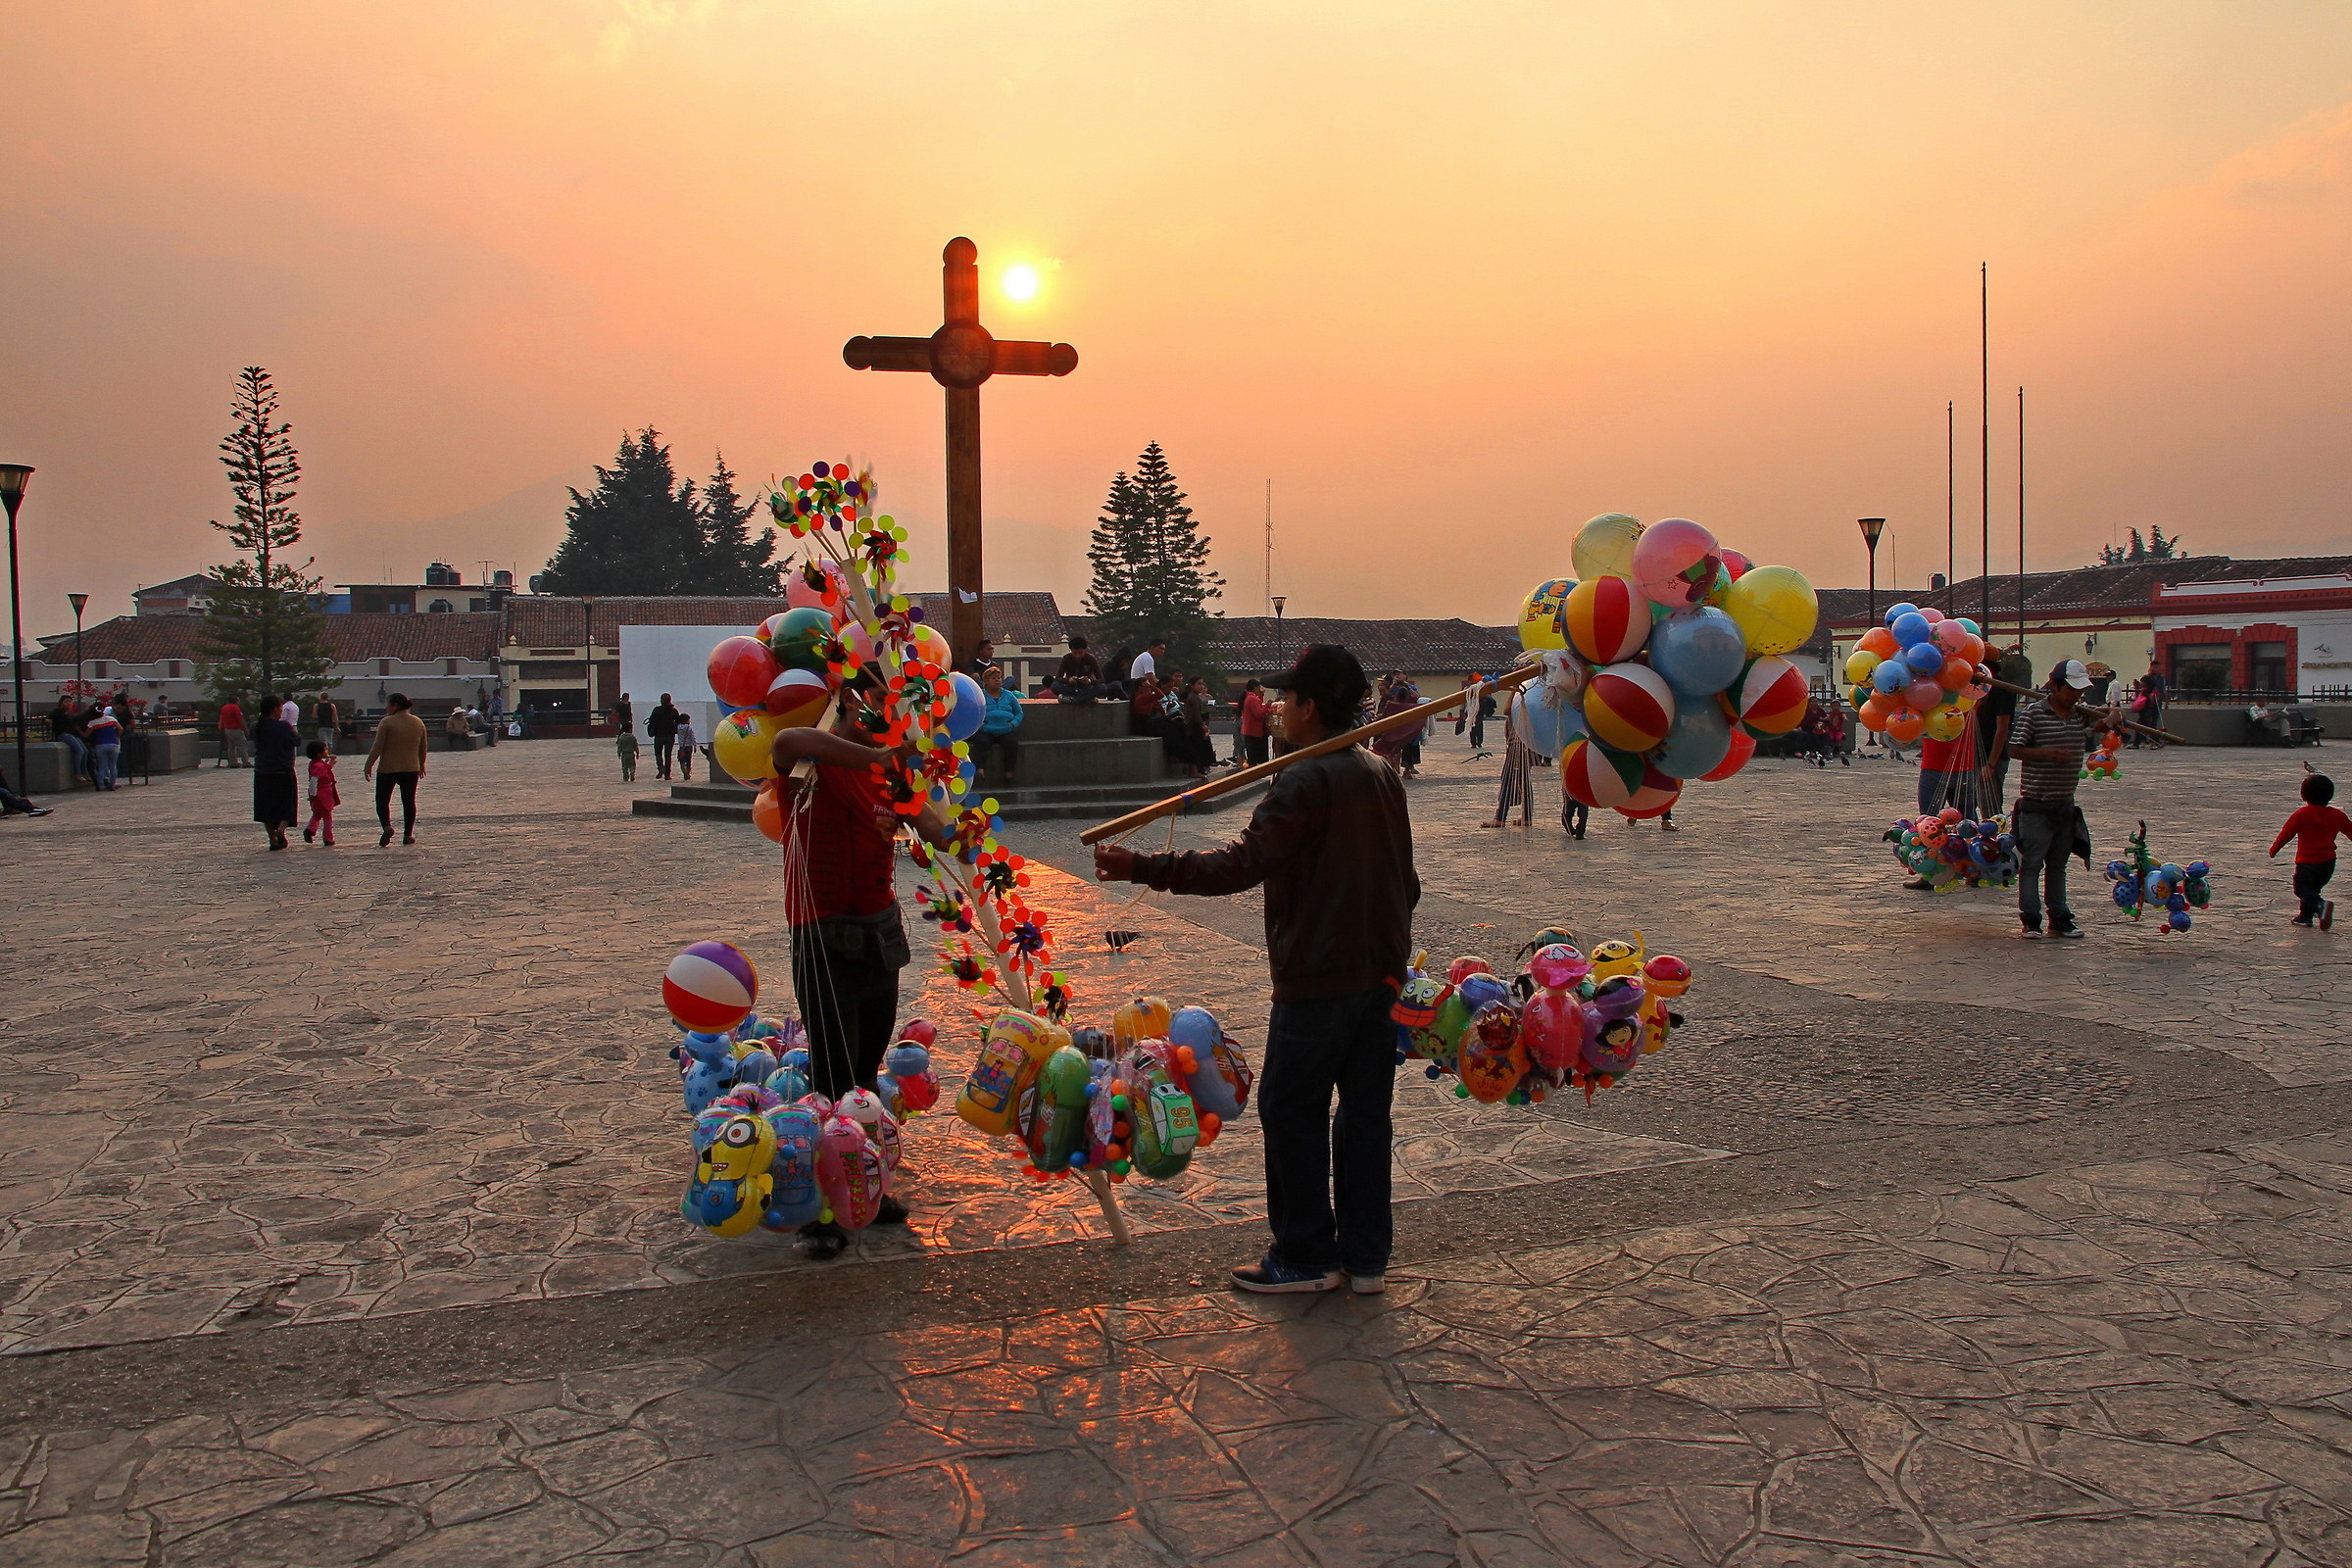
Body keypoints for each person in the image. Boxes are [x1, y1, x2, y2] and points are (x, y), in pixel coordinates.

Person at [1092, 644, 1415, 1297]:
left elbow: (1240, 866)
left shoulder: (1302, 779)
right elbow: (1407, 883)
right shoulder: (1379, 774)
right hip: (1381, 975)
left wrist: (1146, 867)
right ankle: (1365, 1257)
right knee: (1364, 1114)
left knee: (1290, 1108)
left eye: (1287, 698)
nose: (1276, 707)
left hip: (1320, 980)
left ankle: (1303, 1256)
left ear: (1311, 708)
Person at [768, 689, 931, 1257]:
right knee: (831, 1074)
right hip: (822, 934)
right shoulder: (809, 770)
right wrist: (872, 757)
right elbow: (786, 741)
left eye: (877, 713)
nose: (868, 720)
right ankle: (822, 1211)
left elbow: (935, 827)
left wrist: (970, 836)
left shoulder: (889, 779)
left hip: (879, 935)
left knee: (864, 1073)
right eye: (857, 710)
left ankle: (866, 1186)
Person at [1990, 659, 2104, 939]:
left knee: (2058, 865)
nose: (2077, 695)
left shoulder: (2079, 715)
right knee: (2031, 864)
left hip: (2064, 803)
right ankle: (2031, 919)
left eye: (2080, 691)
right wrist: (2046, 754)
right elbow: (2015, 749)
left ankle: (2060, 917)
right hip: (2036, 804)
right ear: (2055, 685)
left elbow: (2087, 734)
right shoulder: (2034, 714)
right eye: (2071, 689)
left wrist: (2106, 722)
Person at [2272, 773, 2351, 930]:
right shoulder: (2337, 815)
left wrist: (2274, 849)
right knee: (2312, 889)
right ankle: (2305, 917)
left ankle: (2321, 905)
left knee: (2301, 888)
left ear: (2303, 795)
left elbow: (2286, 833)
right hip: (2328, 863)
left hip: (2307, 862)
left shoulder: (2302, 814)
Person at [365, 692, 428, 846]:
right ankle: (408, 834)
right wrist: (422, 764)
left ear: (396, 706)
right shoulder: (418, 722)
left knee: (382, 800)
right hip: (411, 767)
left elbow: (378, 746)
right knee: (408, 801)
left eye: (389, 704)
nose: (387, 708)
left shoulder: (387, 722)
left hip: (388, 768)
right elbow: (423, 747)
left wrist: (369, 764)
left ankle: (387, 826)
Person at [251, 694, 301, 850]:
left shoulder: (256, 726)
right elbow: (296, 741)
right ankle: (281, 830)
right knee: (287, 804)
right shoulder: (284, 726)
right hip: (283, 770)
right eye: (280, 707)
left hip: (263, 771)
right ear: (274, 709)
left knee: (266, 806)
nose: (282, 710)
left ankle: (272, 838)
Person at [1977, 646, 2027, 805]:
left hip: (1992, 757)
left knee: (1990, 808)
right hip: (1977, 755)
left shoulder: (2001, 689)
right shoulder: (1977, 687)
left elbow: (2002, 729)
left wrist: (1991, 764)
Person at [1483, 702, 1532, 827]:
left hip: (1518, 744)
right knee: (1524, 781)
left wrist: (1514, 688)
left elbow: (1507, 709)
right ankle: (1526, 816)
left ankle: (1500, 818)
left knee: (1508, 780)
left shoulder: (1522, 693)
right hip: (1524, 743)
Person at [972, 666, 1022, 787]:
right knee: (981, 742)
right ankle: (980, 771)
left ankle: (1009, 773)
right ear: (986, 681)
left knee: (1011, 742)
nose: (997, 680)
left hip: (1005, 729)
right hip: (986, 729)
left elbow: (1019, 712)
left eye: (999, 678)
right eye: (993, 678)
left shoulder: (1009, 695)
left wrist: (1013, 724)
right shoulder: (980, 695)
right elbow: (974, 712)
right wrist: (981, 725)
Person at [303, 740, 341, 846]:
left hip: (317, 793)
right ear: (319, 754)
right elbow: (314, 780)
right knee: (327, 817)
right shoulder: (319, 766)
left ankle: (310, 829)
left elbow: (325, 769)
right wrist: (313, 794)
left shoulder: (315, 764)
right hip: (323, 793)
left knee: (317, 813)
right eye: (325, 750)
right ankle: (328, 838)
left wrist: (331, 761)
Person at [1051, 638, 1111, 703]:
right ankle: (1086, 699)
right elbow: (1058, 678)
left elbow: (1101, 680)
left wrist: (1089, 681)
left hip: (1086, 688)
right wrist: (1068, 680)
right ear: (1071, 650)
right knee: (1055, 686)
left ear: (1085, 650)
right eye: (1075, 653)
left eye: (1080, 653)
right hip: (1071, 688)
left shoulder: (1091, 659)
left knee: (1102, 687)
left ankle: (1073, 700)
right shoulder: (1066, 658)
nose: (1078, 656)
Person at [50, 697, 89, 783]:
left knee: (85, 751)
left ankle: (84, 772)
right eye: (66, 702)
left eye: (70, 702)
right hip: (64, 734)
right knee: (79, 751)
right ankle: (77, 773)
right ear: (61, 703)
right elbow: (49, 718)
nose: (68, 704)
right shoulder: (58, 711)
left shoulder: (68, 714)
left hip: (72, 734)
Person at [85, 705, 123, 791]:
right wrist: (117, 737)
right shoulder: (111, 719)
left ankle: (101, 785)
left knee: (102, 766)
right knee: (113, 766)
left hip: (100, 745)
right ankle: (112, 784)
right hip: (114, 744)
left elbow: (86, 735)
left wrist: (79, 730)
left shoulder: (92, 723)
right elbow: (120, 729)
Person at [2132, 662, 2167, 749]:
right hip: (2146, 709)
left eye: (2157, 667)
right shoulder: (2147, 680)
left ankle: (2154, 742)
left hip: (2152, 706)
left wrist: (2165, 701)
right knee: (2144, 725)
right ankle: (2141, 742)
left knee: (2150, 725)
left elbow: (2163, 690)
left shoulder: (2161, 679)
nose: (2155, 669)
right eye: (2153, 667)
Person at [647, 695, 681, 780]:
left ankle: (661, 768)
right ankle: (667, 774)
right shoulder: (674, 711)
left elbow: (651, 721)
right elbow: (679, 723)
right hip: (670, 736)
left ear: (662, 700)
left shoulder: (657, 710)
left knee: (658, 753)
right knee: (668, 755)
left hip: (659, 735)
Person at [1237, 678, 1270, 766]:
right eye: (1259, 687)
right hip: (1255, 731)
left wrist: (1261, 697)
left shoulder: (1248, 698)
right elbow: (1259, 714)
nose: (1260, 689)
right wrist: (1268, 705)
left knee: (1252, 756)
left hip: (1248, 730)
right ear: (1254, 687)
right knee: (1256, 758)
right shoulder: (1252, 699)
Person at [213, 696, 247, 768]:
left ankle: (233, 763)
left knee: (231, 747)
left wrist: (221, 729)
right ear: (236, 701)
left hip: (227, 730)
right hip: (236, 729)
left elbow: (222, 719)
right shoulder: (235, 708)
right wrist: (245, 728)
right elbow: (240, 719)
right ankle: (246, 762)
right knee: (242, 746)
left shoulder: (224, 708)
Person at [675, 710, 698, 780]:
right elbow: (692, 737)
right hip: (689, 746)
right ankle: (688, 771)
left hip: (682, 747)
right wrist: (695, 745)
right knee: (688, 760)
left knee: (682, 760)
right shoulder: (688, 728)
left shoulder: (678, 727)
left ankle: (683, 768)